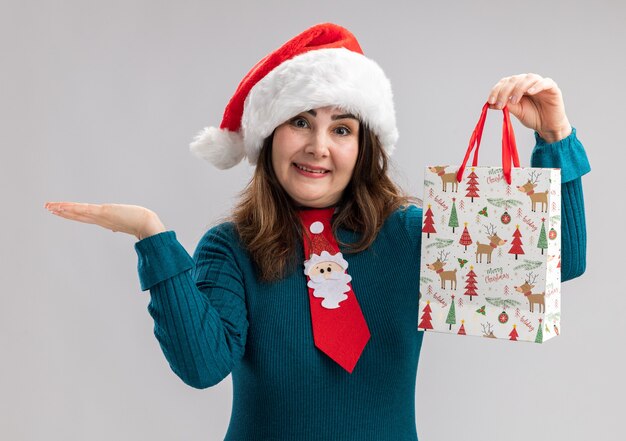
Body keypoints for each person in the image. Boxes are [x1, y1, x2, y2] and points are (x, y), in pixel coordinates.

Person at [44, 23, 590, 441]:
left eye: (342, 128)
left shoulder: (409, 234)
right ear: (268, 136)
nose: (318, 145)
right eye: (301, 121)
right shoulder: (230, 248)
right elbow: (202, 366)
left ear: (364, 147)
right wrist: (154, 238)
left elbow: (552, 263)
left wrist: (555, 138)